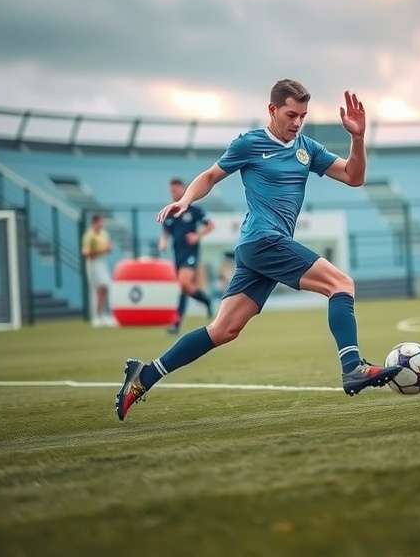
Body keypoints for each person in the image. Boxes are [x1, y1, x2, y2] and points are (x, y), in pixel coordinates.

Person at [115, 79, 401, 420]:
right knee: (341, 284)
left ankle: (143, 376)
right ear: (272, 110)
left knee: (223, 330)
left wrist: (357, 137)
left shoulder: (307, 148)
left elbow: (354, 176)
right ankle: (352, 366)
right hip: (263, 241)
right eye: (291, 114)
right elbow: (209, 176)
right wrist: (185, 201)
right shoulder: (250, 143)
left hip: (257, 250)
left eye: (303, 116)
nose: (297, 122)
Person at [158, 178, 215, 333]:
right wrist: (163, 242)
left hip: (191, 253)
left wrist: (197, 235)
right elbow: (166, 232)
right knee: (184, 288)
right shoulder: (170, 211)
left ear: (183, 189)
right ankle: (205, 301)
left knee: (184, 283)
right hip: (177, 254)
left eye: (176, 190)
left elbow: (210, 226)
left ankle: (177, 324)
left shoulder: (193, 209)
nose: (174, 193)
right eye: (171, 191)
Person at [81, 214, 115, 327]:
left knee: (105, 287)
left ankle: (104, 315)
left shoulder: (105, 234)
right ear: (94, 223)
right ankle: (96, 316)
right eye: (100, 222)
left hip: (102, 263)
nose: (102, 224)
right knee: (97, 290)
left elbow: (108, 247)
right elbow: (86, 253)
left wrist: (108, 249)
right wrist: (102, 250)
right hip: (93, 264)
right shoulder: (89, 236)